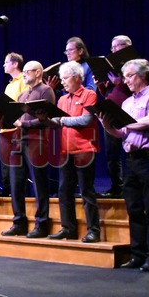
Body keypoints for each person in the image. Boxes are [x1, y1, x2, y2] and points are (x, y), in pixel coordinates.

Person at [99, 59, 149, 272]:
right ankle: (138, 255)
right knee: (134, 208)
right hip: (130, 159)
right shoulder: (127, 103)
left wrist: (126, 123)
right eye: (125, 77)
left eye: (129, 76)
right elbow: (122, 133)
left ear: (143, 75)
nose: (126, 80)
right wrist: (106, 125)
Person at [0, 61, 56, 238]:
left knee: (39, 183)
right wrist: (1, 123)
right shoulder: (22, 94)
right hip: (18, 141)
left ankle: (42, 224)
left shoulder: (46, 91)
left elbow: (46, 119)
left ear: (38, 72)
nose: (24, 74)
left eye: (28, 72)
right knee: (16, 184)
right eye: (24, 72)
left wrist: (25, 124)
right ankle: (19, 222)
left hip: (37, 141)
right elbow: (16, 120)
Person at [44, 61, 101, 242]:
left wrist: (61, 120)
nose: (62, 82)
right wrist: (44, 119)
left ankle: (93, 231)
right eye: (61, 79)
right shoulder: (62, 99)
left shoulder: (89, 94)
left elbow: (85, 120)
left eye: (65, 78)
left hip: (84, 149)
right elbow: (56, 123)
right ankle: (68, 228)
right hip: (65, 151)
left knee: (86, 190)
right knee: (64, 191)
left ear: (76, 77)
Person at [94, 35, 133, 198]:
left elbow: (137, 89)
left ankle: (131, 188)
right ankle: (117, 187)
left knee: (131, 151)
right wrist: (101, 87)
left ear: (128, 46)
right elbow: (110, 93)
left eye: (117, 46)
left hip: (129, 112)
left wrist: (119, 83)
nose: (114, 49)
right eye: (112, 47)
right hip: (111, 112)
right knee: (111, 153)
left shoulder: (135, 65)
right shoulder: (113, 67)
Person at [0, 52, 28, 198]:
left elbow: (23, 103)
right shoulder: (9, 84)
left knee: (16, 162)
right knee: (5, 161)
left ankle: (17, 192)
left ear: (15, 64)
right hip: (6, 127)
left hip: (17, 126)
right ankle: (6, 189)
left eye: (6, 62)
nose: (4, 65)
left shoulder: (23, 80)